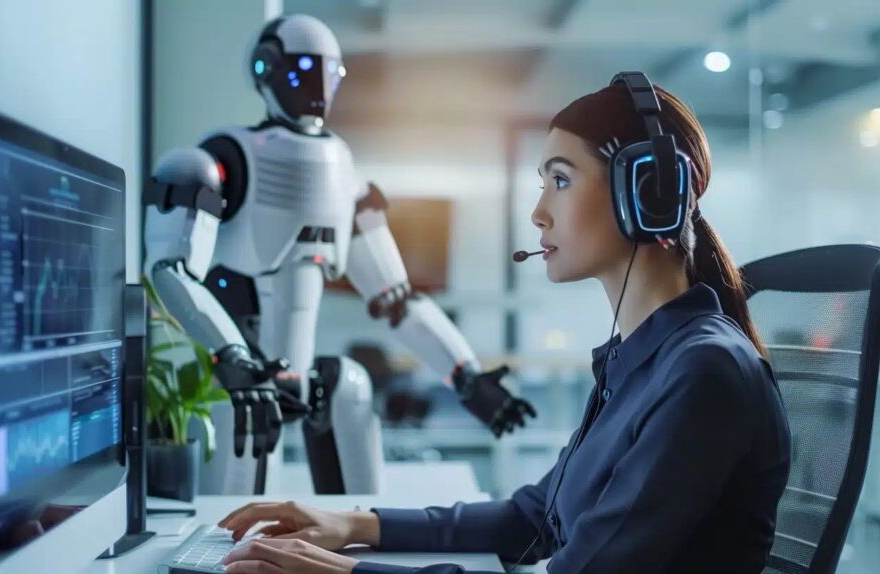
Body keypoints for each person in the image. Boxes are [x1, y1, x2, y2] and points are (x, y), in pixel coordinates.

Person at [216, 76, 792, 574]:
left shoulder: (703, 372)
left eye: (561, 180)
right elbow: (536, 516)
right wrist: (349, 523)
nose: (539, 212)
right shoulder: (642, 359)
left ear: (646, 190)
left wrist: (347, 572)